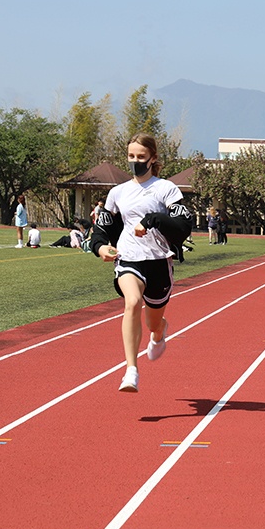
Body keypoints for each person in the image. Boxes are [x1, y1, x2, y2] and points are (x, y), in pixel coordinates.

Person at [91, 133, 193, 392]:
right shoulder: (118, 192)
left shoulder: (166, 189)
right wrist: (100, 246)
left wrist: (152, 219)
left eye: (140, 157)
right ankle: (131, 370)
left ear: (153, 158)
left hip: (158, 261)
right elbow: (102, 229)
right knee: (132, 302)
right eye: (131, 156)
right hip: (129, 258)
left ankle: (159, 333)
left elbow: (183, 226)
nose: (135, 161)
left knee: (152, 322)